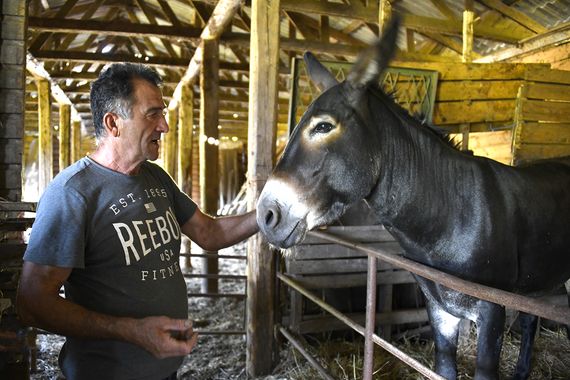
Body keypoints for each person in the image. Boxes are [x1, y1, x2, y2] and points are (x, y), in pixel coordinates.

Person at [16, 63, 259, 380]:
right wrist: (131, 331)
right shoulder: (73, 194)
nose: (165, 126)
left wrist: (269, 214)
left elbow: (209, 232)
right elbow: (32, 302)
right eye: (152, 114)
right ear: (113, 123)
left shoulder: (155, 177)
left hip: (165, 367)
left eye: (164, 114)